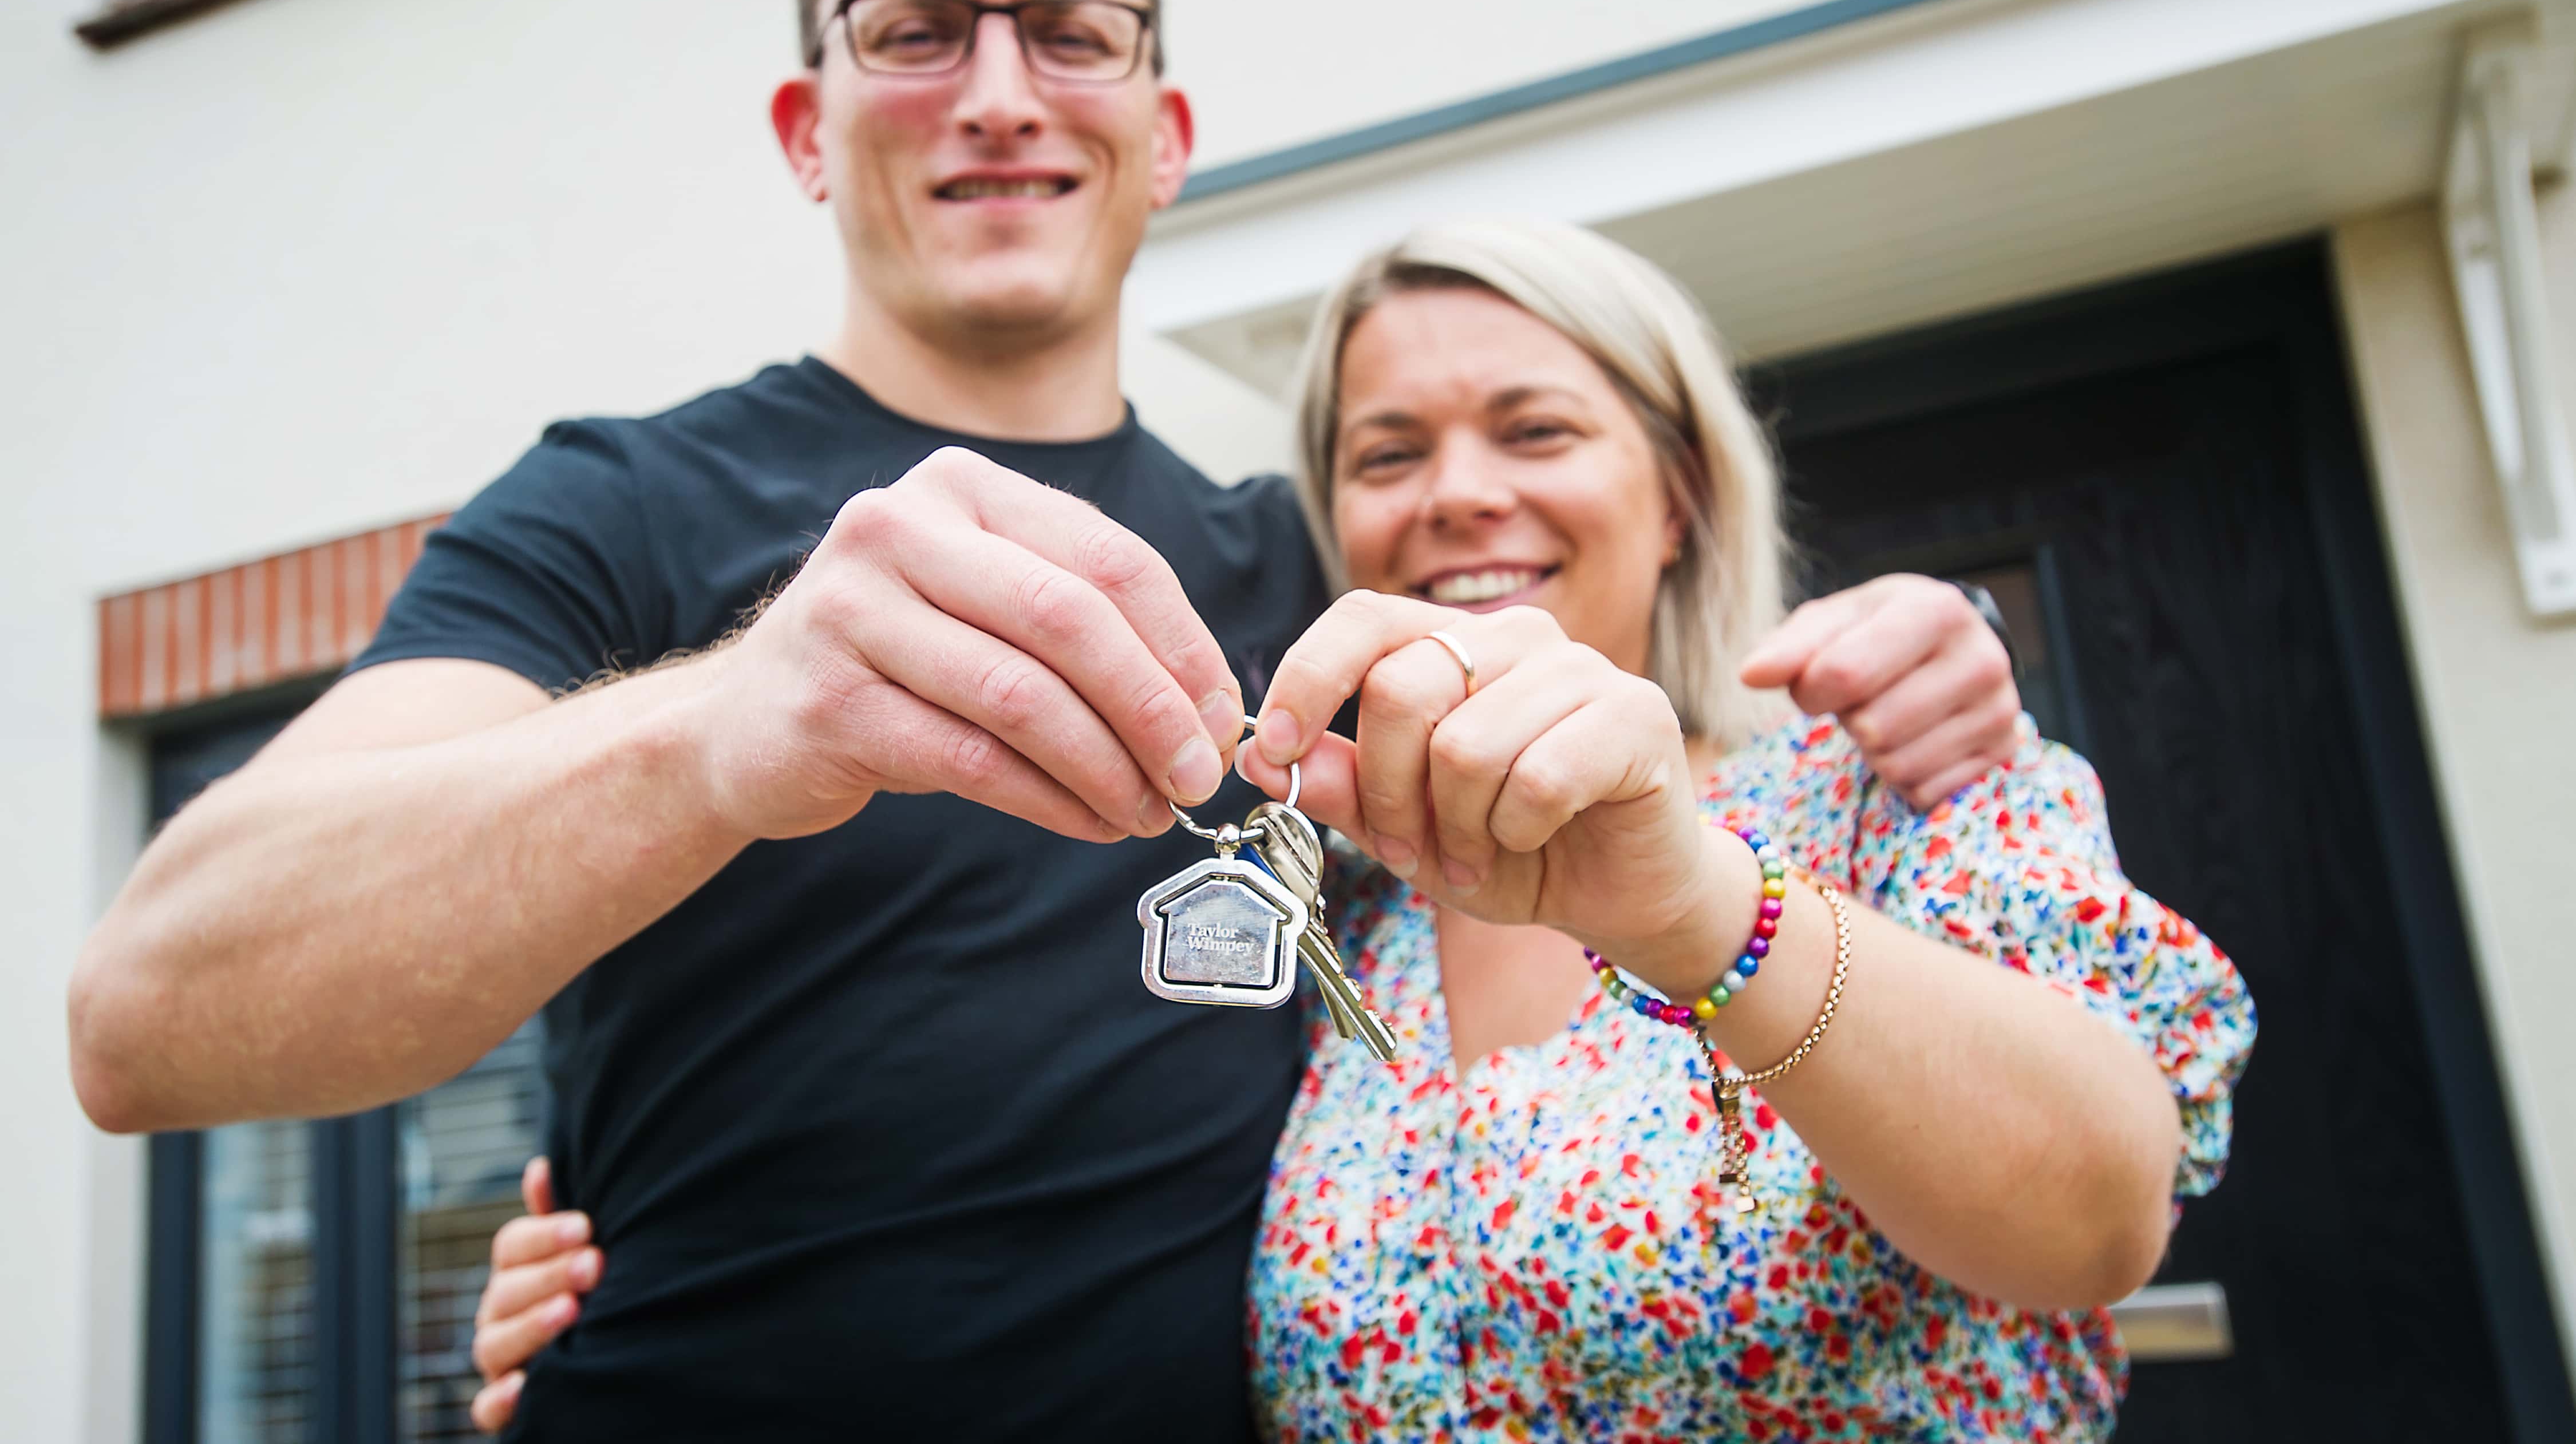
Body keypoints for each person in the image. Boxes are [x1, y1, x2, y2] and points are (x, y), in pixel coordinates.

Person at [71, 0, 2029, 1441]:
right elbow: (148, 1020)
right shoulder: (616, 508)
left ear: (1161, 133)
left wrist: (1906, 656)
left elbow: (1614, 639)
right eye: (913, 30)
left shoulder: (1316, 581)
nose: (998, 93)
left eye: (1068, 33)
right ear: (802, 128)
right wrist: (725, 730)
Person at [467, 221, 2253, 1439]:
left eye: (1533, 426)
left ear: (1682, 485)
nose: (1459, 490)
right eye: (1387, 453)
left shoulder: (1893, 783)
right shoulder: (1343, 921)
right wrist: (643, 1275)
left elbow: (2095, 1218)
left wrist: (1698, 900)